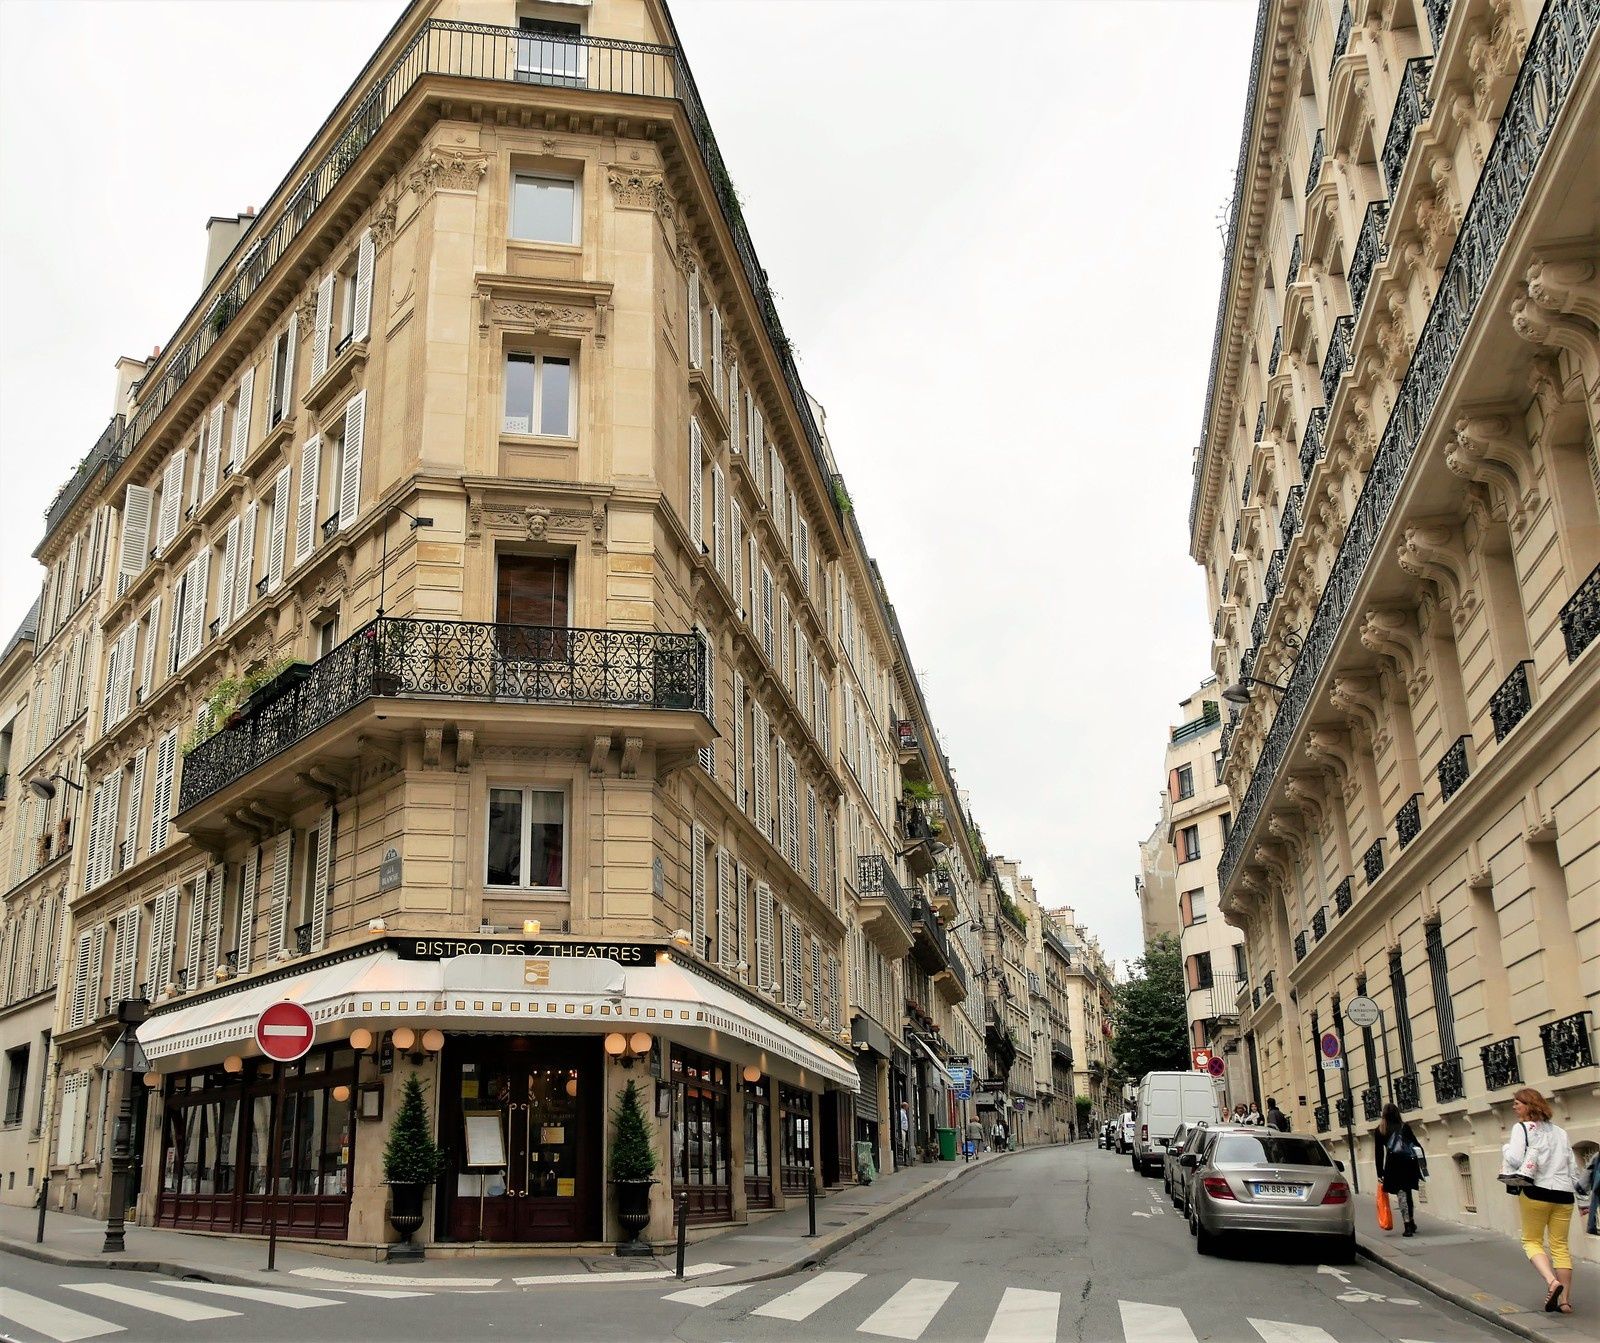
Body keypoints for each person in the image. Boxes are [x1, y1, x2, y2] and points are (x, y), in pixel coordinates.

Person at [1502, 1088, 1581, 1313]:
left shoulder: (1522, 1128)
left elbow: (1516, 1159)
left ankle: (1551, 1281)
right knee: (1560, 1247)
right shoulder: (1560, 1132)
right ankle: (1564, 1301)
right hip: (1564, 1195)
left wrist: (1505, 1148)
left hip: (1536, 1192)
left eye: (1518, 1103)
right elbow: (1571, 1166)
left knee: (1531, 1241)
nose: (1514, 1107)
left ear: (1529, 1105)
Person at [1374, 1102, 1424, 1236]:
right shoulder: (1404, 1127)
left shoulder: (1380, 1130)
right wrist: (1422, 1164)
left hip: (1393, 1166)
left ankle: (1407, 1224)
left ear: (1384, 1114)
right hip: (1407, 1164)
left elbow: (1379, 1153)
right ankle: (1411, 1222)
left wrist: (1380, 1172)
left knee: (1401, 1194)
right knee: (1407, 1193)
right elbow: (1416, 1145)